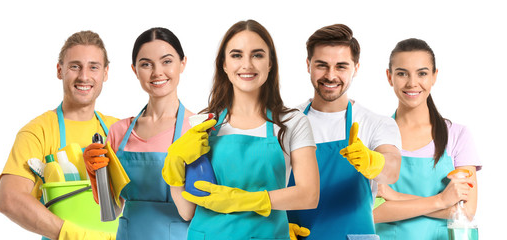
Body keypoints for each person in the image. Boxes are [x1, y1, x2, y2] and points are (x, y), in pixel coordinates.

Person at [161, 19, 320, 239]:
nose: (247, 64)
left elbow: (308, 195)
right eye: (236, 55)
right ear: (224, 65)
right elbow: (187, 211)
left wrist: (242, 200)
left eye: (257, 55)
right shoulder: (205, 123)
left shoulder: (291, 122)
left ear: (270, 63)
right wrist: (175, 167)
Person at [0, 30, 119, 239]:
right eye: (75, 66)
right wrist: (74, 235)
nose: (84, 76)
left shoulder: (118, 130)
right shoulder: (38, 132)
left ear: (105, 73)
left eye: (93, 67)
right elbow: (10, 199)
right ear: (59, 70)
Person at [287, 24, 402, 239]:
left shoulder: (375, 123)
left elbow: (392, 169)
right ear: (308, 65)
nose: (331, 76)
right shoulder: (285, 122)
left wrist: (371, 161)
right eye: (322, 65)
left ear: (356, 68)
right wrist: (277, 228)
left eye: (341, 66)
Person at [83, 27, 195, 240]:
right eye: (146, 64)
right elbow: (114, 211)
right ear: (135, 70)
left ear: (183, 64)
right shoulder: (119, 132)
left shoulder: (197, 130)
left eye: (167, 61)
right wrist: (97, 178)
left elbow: (203, 209)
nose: (157, 72)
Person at [373, 38, 480, 239]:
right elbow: (372, 212)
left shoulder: (457, 136)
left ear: (434, 76)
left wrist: (395, 197)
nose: (412, 83)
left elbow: (465, 212)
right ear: (389, 77)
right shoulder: (375, 135)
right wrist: (441, 201)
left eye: (422, 73)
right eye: (402, 73)